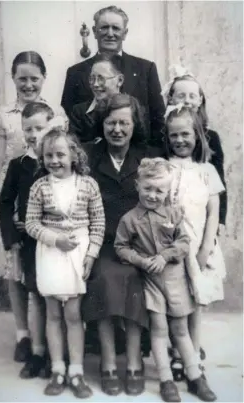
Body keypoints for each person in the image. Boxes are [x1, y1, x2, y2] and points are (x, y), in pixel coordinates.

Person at [0, 51, 68, 363]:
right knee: (15, 265)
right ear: (13, 78)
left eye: (34, 78)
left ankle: (47, 332)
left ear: (44, 78)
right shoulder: (4, 114)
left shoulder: (54, 114)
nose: (28, 84)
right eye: (22, 78)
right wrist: (7, 205)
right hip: (14, 186)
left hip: (44, 188)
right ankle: (22, 333)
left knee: (40, 264)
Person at [114, 158, 217, 402]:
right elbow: (121, 247)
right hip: (151, 282)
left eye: (159, 190)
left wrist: (165, 256)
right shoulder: (129, 219)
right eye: (148, 188)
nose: (153, 195)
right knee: (159, 330)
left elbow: (183, 242)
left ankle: (195, 376)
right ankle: (166, 380)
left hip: (175, 279)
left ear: (168, 190)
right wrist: (139, 260)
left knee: (180, 328)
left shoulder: (174, 213)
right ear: (137, 185)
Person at [82, 93, 160, 396]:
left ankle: (133, 362)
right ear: (102, 124)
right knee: (101, 280)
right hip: (102, 244)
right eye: (111, 122)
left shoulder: (147, 158)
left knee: (135, 280)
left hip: (137, 246)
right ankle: (108, 361)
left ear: (133, 124)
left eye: (123, 122)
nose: (117, 129)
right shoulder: (89, 157)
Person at [25, 130, 105, 398]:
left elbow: (98, 224)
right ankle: (58, 368)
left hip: (79, 254)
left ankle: (76, 371)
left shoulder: (88, 185)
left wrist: (91, 255)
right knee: (53, 314)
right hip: (50, 252)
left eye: (60, 154)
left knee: (73, 315)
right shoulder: (39, 187)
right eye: (48, 155)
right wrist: (55, 239)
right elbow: (32, 223)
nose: (54, 160)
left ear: (74, 155)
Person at [0, 102, 60, 379]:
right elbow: (5, 203)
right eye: (28, 129)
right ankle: (37, 352)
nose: (33, 134)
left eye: (39, 127)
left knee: (56, 299)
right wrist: (12, 238)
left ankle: (57, 354)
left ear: (52, 126)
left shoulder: (59, 163)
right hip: (30, 243)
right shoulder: (18, 165)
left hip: (57, 242)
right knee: (35, 295)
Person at [165, 105, 226, 383]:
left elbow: (213, 212)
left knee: (196, 302)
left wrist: (205, 249)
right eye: (174, 135)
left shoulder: (207, 171)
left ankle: (194, 348)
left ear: (198, 135)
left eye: (185, 134)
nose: (180, 140)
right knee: (177, 302)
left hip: (199, 244)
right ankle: (178, 352)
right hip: (173, 246)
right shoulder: (163, 168)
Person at [61, 5, 165, 146]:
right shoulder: (75, 73)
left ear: (125, 33)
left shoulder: (145, 69)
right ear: (94, 32)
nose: (110, 33)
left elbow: (158, 120)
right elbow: (68, 124)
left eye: (116, 28)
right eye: (104, 27)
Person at [162, 65, 227, 228]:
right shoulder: (163, 134)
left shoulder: (211, 137)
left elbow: (218, 178)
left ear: (200, 100)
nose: (187, 100)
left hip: (200, 207)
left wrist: (220, 218)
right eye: (181, 95)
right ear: (170, 99)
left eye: (192, 96)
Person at [69, 54, 124, 143]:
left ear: (120, 80)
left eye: (101, 78)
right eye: (92, 78)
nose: (95, 84)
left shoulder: (133, 109)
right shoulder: (79, 112)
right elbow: (73, 147)